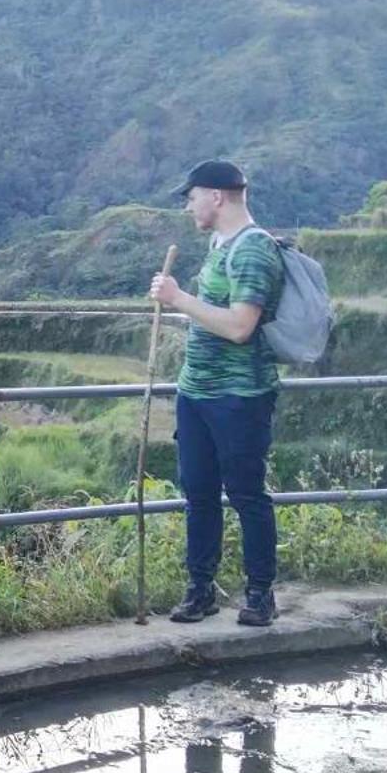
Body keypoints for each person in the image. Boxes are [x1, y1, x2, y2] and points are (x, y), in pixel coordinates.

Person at [148, 161, 284, 627]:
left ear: (217, 197)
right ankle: (200, 589)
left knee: (247, 494)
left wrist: (178, 299)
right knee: (199, 492)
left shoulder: (252, 251)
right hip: (197, 391)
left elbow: (241, 327)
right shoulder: (218, 244)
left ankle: (260, 594)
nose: (189, 206)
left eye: (192, 197)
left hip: (239, 396)